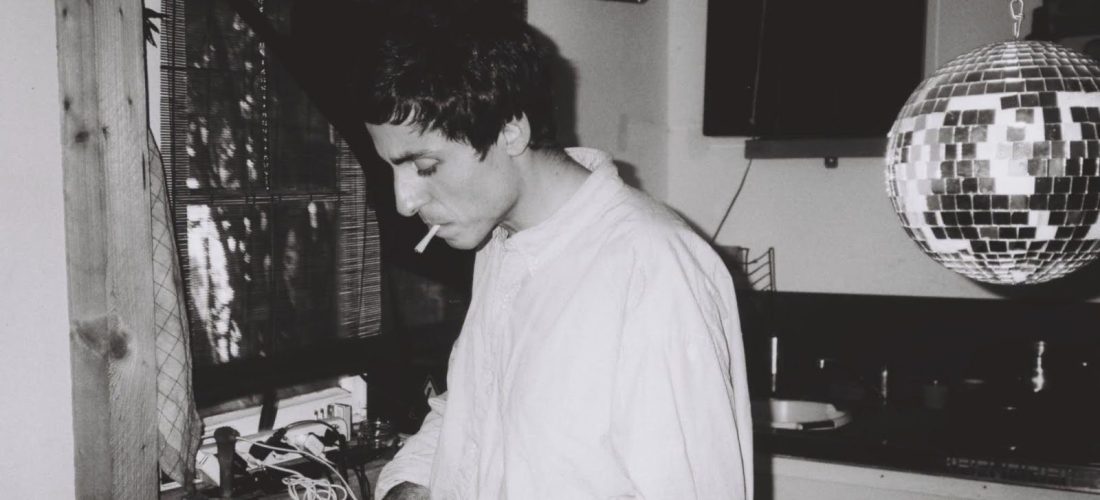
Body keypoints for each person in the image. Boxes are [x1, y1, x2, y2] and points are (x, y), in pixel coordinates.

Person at [357, 5, 753, 499]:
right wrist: (410, 484)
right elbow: (475, 412)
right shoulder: (502, 241)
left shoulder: (651, 270)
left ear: (510, 132)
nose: (404, 201)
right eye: (392, 168)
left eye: (425, 166)